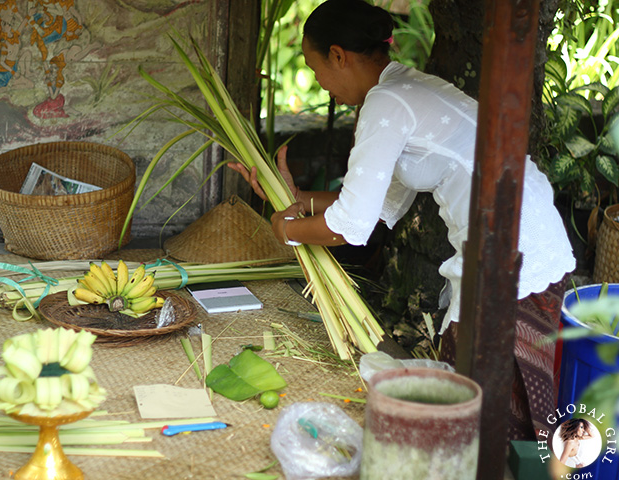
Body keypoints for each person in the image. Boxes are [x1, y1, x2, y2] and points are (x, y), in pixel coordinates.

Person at [228, 0, 576, 442]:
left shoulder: (386, 102)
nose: (322, 85)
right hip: (531, 244)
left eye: (317, 71)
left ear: (339, 55)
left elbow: (349, 227)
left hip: (514, 257)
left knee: (488, 417)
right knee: (495, 406)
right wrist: (297, 200)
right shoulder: (406, 89)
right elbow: (377, 206)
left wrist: (285, 229)